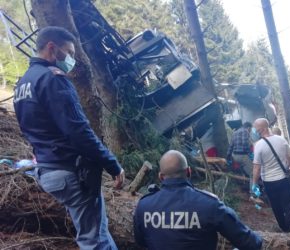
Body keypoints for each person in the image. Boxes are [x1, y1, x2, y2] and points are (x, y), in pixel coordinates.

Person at [13, 26, 125, 249]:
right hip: (70, 172)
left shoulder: (23, 83)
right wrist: (113, 165)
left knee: (96, 233)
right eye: (70, 53)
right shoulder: (53, 79)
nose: (72, 59)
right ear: (52, 48)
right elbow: (79, 132)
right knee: (95, 240)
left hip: (48, 169)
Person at [134, 150, 262, 250]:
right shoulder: (209, 204)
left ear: (161, 177)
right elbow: (251, 243)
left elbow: (141, 241)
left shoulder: (144, 205)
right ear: (189, 172)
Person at [251, 118, 290, 233]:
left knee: (276, 207)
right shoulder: (282, 140)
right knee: (288, 206)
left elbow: (257, 167)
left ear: (263, 128)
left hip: (269, 182)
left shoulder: (259, 145)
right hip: (284, 179)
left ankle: (284, 229)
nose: (254, 130)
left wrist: (254, 184)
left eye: (256, 127)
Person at [226, 122, 253, 194]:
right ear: (248, 128)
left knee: (245, 171)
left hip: (235, 156)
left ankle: (245, 187)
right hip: (242, 156)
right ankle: (254, 194)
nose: (250, 131)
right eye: (251, 129)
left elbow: (230, 146)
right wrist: (250, 154)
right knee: (253, 173)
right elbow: (245, 144)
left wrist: (228, 157)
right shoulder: (245, 131)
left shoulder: (235, 133)